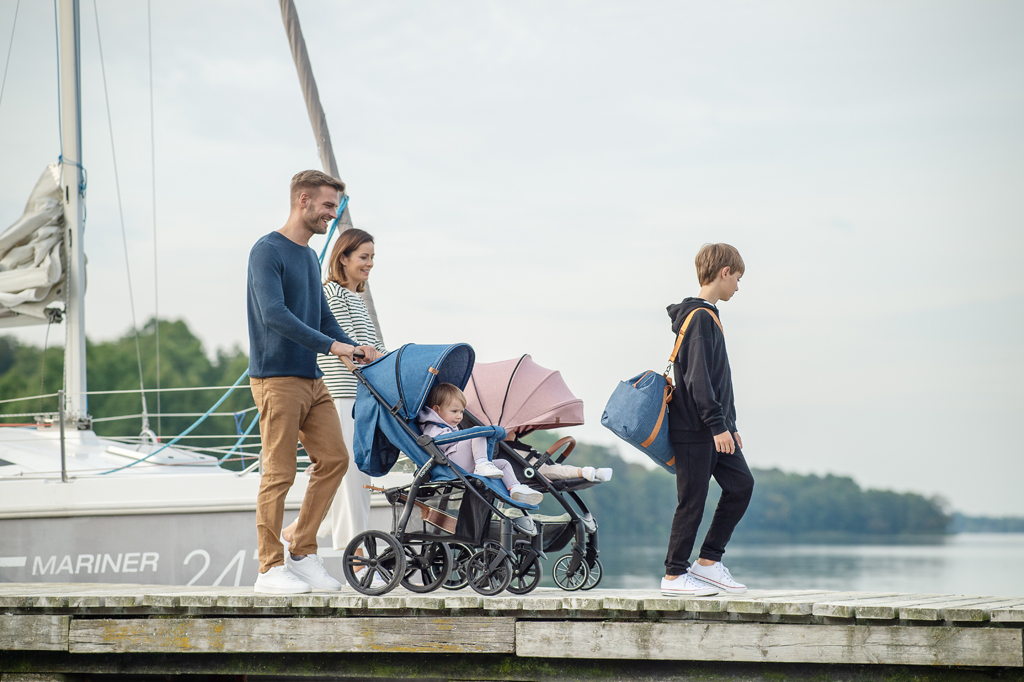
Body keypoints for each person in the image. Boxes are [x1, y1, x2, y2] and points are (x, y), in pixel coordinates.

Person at [247, 170, 380, 595]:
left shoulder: (307, 257)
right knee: (279, 472)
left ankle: (301, 552)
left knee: (336, 460)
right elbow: (275, 315)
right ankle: (269, 569)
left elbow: (322, 317)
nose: (331, 215)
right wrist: (332, 346)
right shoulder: (267, 251)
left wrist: (354, 347)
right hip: (276, 378)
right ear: (303, 200)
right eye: (327, 206)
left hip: (312, 378)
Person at [281, 228, 386, 586]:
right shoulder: (333, 295)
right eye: (364, 257)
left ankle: (296, 531)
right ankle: (356, 562)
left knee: (357, 480)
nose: (370, 264)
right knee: (354, 480)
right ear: (343, 257)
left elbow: (370, 348)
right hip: (342, 396)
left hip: (363, 398)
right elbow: (341, 347)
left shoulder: (358, 298)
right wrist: (366, 355)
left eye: (372, 257)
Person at [661, 243, 754, 597]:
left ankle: (709, 563)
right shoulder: (699, 317)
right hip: (696, 429)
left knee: (741, 485)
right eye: (738, 278)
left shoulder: (707, 315)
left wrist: (729, 426)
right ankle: (673, 576)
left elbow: (716, 378)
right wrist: (718, 425)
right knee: (693, 500)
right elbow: (698, 379)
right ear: (724, 272)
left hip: (715, 428)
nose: (738, 287)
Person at [417, 383, 543, 505]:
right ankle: (482, 463)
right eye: (454, 411)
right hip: (451, 463)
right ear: (436, 410)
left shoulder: (448, 426)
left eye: (461, 412)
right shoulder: (432, 427)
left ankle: (515, 487)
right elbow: (438, 444)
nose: (459, 417)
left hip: (464, 463)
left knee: (504, 464)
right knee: (477, 433)